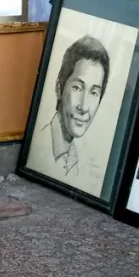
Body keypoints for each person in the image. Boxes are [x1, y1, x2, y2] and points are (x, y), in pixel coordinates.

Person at [40, 36, 110, 177]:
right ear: (59, 89)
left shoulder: (75, 162)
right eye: (77, 88)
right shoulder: (40, 147)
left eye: (94, 92)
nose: (84, 107)